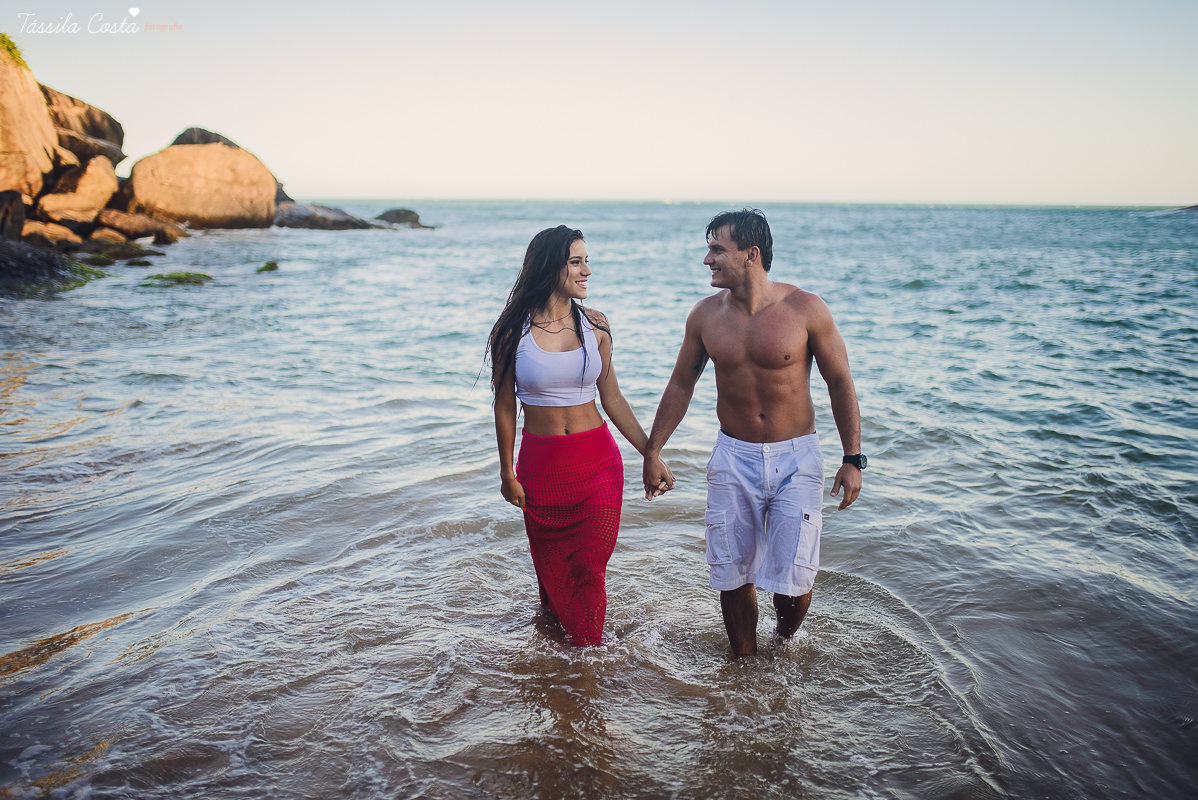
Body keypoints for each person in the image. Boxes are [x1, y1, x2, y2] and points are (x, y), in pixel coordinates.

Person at [642, 209, 865, 657]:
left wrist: (852, 457)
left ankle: (784, 642)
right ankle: (742, 668)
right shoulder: (704, 318)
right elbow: (681, 384)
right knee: (732, 573)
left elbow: (840, 381)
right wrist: (653, 451)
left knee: (795, 580)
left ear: (751, 255)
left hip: (797, 459)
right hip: (733, 457)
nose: (707, 260)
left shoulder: (805, 309)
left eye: (717, 249)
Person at [490, 225, 652, 646]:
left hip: (598, 464)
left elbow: (612, 398)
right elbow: (505, 405)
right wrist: (507, 472)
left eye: (587, 261)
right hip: (541, 470)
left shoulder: (595, 324)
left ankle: (588, 662)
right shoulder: (512, 331)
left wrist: (651, 453)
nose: (587, 271)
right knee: (552, 572)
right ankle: (559, 660)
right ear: (551, 267)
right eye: (577, 262)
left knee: (589, 567)